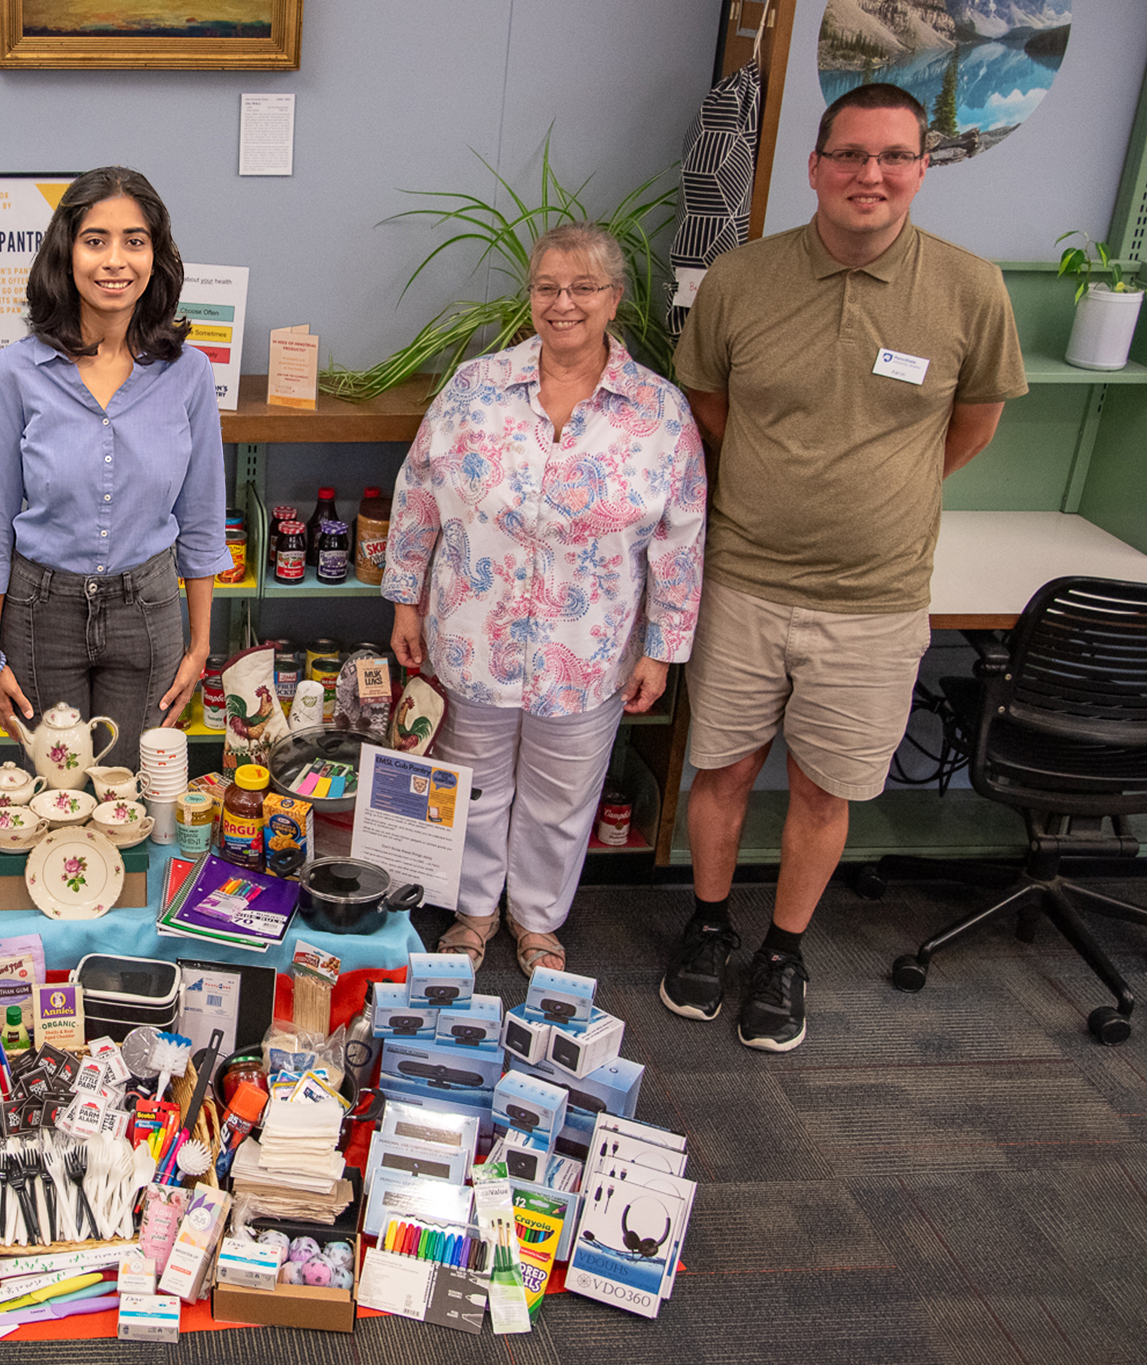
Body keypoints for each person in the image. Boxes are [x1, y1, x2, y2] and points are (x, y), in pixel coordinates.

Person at [665, 83, 1028, 1052]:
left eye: (893, 157)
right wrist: (782, 482)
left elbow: (970, 425)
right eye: (851, 155)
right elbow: (704, 398)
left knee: (824, 788)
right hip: (743, 577)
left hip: (873, 598)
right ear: (815, 167)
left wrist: (875, 493)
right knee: (722, 767)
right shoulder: (741, 280)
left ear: (919, 169)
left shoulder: (966, 288)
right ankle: (707, 925)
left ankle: (782, 950)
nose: (870, 175)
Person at [385, 222, 706, 978]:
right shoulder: (475, 386)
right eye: (548, 288)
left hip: (589, 648)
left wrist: (662, 648)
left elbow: (681, 537)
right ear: (530, 297)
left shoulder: (658, 411)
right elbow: (418, 495)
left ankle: (536, 920)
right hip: (471, 632)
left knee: (562, 797)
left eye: (583, 287)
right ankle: (473, 911)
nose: (564, 303)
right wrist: (405, 601)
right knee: (473, 783)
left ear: (614, 299)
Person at [0, 166, 229, 773]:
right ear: (67, 252)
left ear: (156, 256)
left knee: (130, 795)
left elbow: (201, 519)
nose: (116, 260)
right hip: (39, 615)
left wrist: (200, 644)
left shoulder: (187, 374)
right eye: (96, 240)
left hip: (149, 611)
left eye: (135, 241)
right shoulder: (15, 373)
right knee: (56, 799)